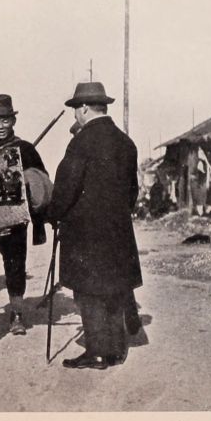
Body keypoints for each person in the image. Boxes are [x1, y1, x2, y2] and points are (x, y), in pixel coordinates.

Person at [46, 82, 143, 370]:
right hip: (118, 231)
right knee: (114, 288)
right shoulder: (126, 142)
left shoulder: (82, 141)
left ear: (84, 108)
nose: (75, 115)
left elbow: (67, 187)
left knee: (88, 292)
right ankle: (116, 350)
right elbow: (133, 191)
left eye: (76, 110)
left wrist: (54, 214)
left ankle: (97, 352)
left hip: (85, 233)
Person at [0, 94, 48, 335]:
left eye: (5, 121)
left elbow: (41, 182)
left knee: (15, 266)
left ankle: (16, 315)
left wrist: (25, 181)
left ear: (13, 121)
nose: (1, 126)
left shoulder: (25, 149)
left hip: (15, 219)